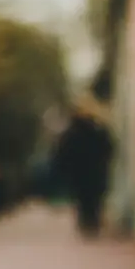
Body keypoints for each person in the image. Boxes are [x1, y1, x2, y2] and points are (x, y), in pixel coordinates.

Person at [51, 96, 116, 239]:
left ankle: (86, 224)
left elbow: (62, 152)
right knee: (94, 199)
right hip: (95, 171)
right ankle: (92, 223)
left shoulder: (71, 132)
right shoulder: (97, 129)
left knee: (83, 199)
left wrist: (63, 170)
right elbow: (109, 147)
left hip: (79, 173)